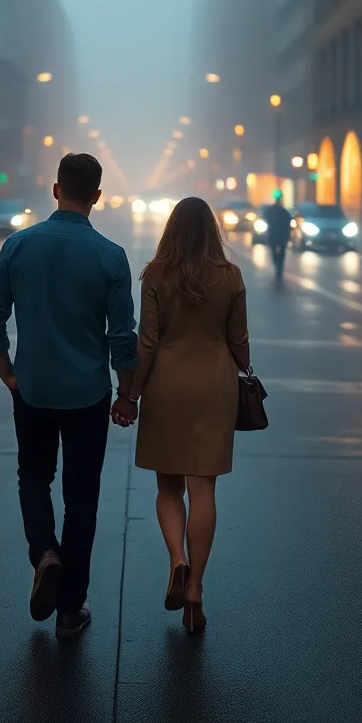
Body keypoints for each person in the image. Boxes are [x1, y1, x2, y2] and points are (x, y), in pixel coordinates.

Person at [0, 153, 138, 639]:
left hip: (34, 388)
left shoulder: (17, 246)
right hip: (88, 393)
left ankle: (44, 551)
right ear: (96, 196)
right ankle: (71, 609)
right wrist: (126, 395)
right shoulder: (111, 256)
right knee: (82, 499)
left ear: (55, 190)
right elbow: (122, 337)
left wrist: (8, 374)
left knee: (33, 477)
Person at [113, 197, 250, 634]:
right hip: (215, 383)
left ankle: (177, 559)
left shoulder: (155, 275)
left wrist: (131, 394)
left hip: (167, 383)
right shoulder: (230, 276)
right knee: (203, 487)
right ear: (212, 231)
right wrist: (243, 367)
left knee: (168, 486)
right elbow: (239, 340)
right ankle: (197, 589)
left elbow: (147, 342)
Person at [262, 192, 292, 278]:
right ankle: (279, 265)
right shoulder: (282, 211)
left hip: (276, 233)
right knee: (280, 251)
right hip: (279, 233)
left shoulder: (274, 210)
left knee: (276, 250)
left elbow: (265, 217)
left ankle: (278, 265)